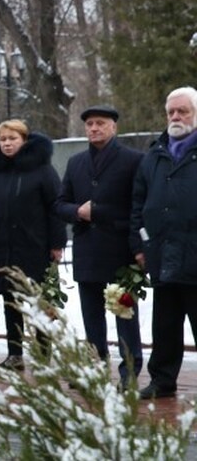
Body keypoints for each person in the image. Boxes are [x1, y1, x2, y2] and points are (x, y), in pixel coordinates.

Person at [54, 105, 143, 389]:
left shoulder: (133, 160)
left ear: (113, 127)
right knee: (92, 316)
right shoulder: (77, 162)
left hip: (119, 252)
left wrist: (100, 211)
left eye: (100, 123)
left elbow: (137, 206)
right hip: (87, 249)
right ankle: (95, 368)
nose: (94, 128)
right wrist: (77, 212)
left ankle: (130, 371)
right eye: (90, 124)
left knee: (124, 314)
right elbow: (60, 203)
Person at [0, 119, 66, 371]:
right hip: (2, 247)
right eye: (2, 139)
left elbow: (55, 208)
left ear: (24, 140)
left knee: (40, 303)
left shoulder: (42, 171)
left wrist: (57, 243)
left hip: (35, 247)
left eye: (12, 139)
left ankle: (42, 356)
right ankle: (14, 354)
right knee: (10, 303)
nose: (7, 144)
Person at [132, 86, 197, 400]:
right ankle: (162, 380)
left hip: (195, 255)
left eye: (182, 111)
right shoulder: (154, 154)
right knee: (165, 326)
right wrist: (140, 244)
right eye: (171, 111)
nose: (176, 117)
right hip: (162, 254)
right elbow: (138, 204)